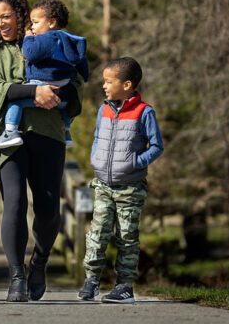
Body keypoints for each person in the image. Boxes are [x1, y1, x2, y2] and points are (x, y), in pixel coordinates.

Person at [0, 0, 82, 302]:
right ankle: (16, 277)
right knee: (16, 203)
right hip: (8, 139)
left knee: (49, 210)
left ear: (21, 15)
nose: (0, 23)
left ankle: (39, 261)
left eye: (5, 16)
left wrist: (59, 96)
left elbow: (74, 85)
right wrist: (32, 94)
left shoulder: (51, 42)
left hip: (47, 133)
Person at [76, 57, 164, 304]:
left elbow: (156, 146)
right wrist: (96, 158)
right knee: (97, 233)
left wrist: (134, 163)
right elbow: (96, 137)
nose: (104, 86)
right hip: (103, 184)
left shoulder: (144, 112)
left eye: (108, 81)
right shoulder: (103, 109)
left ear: (127, 85)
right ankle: (91, 281)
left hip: (130, 188)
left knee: (126, 236)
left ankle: (124, 286)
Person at [0, 0, 88, 150]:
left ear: (51, 23)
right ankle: (66, 132)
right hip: (63, 91)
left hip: (41, 85)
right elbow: (81, 63)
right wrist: (84, 76)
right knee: (63, 109)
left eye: (35, 22)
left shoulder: (47, 38)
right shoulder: (71, 40)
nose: (32, 27)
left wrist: (28, 38)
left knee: (16, 102)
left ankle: (10, 132)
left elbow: (31, 53)